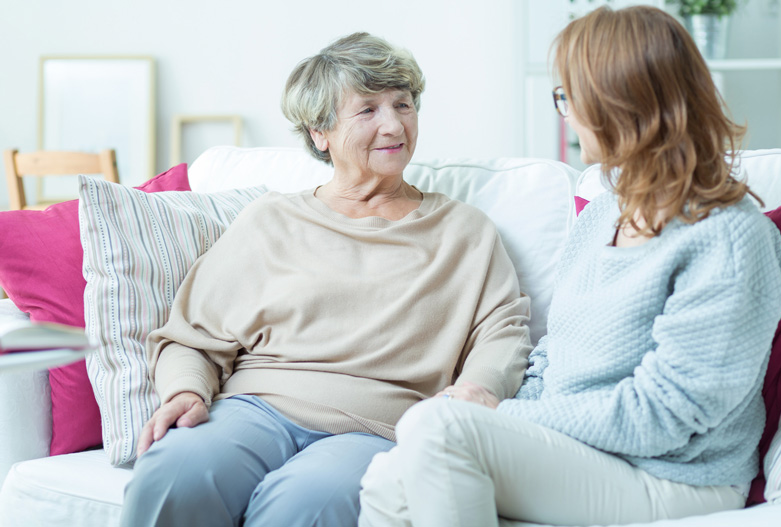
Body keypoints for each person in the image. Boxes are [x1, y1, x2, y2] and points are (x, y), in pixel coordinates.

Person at [358, 6, 781, 527]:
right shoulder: (606, 209)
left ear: (623, 102)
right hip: (576, 448)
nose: (565, 112)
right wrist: (510, 411)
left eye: (570, 96)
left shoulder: (731, 237)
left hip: (675, 475)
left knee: (442, 429)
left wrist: (502, 414)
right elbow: (553, 357)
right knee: (387, 477)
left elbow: (665, 416)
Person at [119, 32, 531, 527]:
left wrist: (479, 388)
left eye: (403, 104)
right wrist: (186, 391)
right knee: (171, 475)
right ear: (320, 133)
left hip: (376, 427)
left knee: (304, 505)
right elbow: (193, 335)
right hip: (254, 408)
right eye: (368, 110)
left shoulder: (463, 231)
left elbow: (502, 331)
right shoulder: (271, 220)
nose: (394, 124)